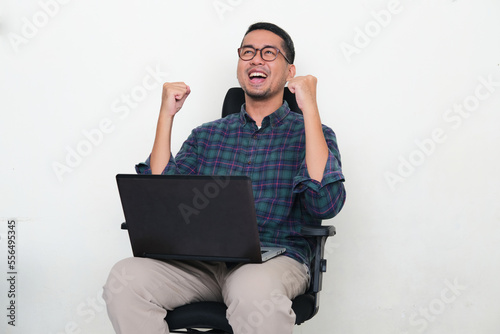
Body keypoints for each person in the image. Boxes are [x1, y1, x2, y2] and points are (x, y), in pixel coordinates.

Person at [103, 22, 346, 334]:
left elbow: (324, 205)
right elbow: (161, 196)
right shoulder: (207, 135)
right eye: (248, 52)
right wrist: (166, 116)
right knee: (126, 279)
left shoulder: (313, 134)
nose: (256, 59)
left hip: (273, 259)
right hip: (201, 264)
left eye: (269, 53)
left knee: (252, 289)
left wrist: (310, 109)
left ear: (289, 72)